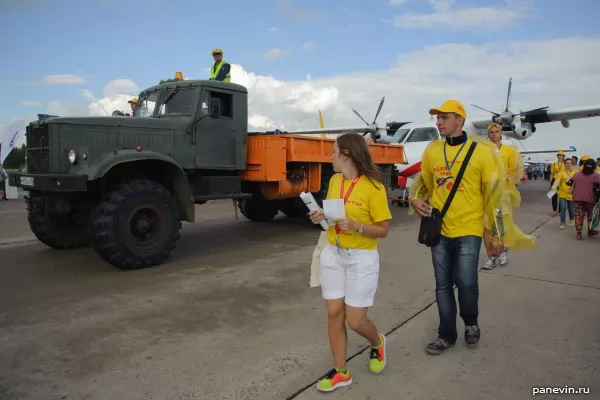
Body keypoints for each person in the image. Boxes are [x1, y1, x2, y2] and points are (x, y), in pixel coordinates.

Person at [408, 99, 535, 356]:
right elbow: (423, 181)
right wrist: (414, 197)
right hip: (440, 230)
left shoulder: (481, 153)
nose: (438, 122)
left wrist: (497, 234)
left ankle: (471, 322)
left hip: (469, 229)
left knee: (467, 282)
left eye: (444, 117)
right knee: (442, 285)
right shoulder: (433, 151)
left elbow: (496, 195)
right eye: (437, 117)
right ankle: (446, 335)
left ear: (460, 120)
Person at [308, 132, 391, 392]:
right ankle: (341, 371)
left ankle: (377, 342)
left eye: (333, 152)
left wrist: (357, 226)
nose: (330, 157)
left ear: (346, 155)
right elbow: (332, 217)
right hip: (333, 252)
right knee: (334, 314)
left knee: (355, 321)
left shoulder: (374, 187)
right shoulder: (334, 181)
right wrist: (320, 217)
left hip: (361, 258)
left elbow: (383, 229)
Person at [481, 123, 523, 269]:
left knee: (501, 225)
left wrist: (506, 180)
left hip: (503, 194)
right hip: (486, 194)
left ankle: (503, 250)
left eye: (496, 131)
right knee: (486, 227)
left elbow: (516, 171)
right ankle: (490, 256)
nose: (494, 134)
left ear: (501, 134)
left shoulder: (510, 151)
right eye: (491, 132)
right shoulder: (483, 150)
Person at [570, 159, 600, 240]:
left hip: (577, 199)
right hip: (590, 199)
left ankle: (578, 234)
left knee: (578, 216)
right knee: (590, 216)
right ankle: (590, 231)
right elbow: (597, 189)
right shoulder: (596, 175)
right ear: (594, 167)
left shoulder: (577, 174)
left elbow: (568, 182)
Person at [552, 158, 576, 229]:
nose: (568, 164)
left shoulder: (575, 173)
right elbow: (557, 181)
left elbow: (577, 183)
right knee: (563, 208)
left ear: (572, 164)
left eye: (570, 163)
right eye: (567, 163)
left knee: (571, 209)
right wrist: (554, 186)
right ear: (565, 164)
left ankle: (571, 219)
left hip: (571, 194)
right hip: (562, 193)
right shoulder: (561, 173)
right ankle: (562, 223)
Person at [549, 151, 566, 217]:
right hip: (554, 181)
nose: (559, 156)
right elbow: (551, 174)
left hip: (562, 182)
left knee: (561, 196)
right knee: (553, 196)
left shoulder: (565, 164)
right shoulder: (554, 164)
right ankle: (554, 211)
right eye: (558, 155)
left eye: (561, 155)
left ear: (563, 156)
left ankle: (560, 211)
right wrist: (550, 182)